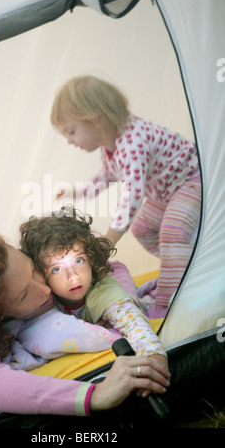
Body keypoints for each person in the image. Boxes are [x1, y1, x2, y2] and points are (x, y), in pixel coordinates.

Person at [0, 233, 171, 417]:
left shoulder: (3, 263)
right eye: (23, 295)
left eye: (34, 271)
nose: (44, 289)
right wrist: (96, 395)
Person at [51, 75, 201, 318]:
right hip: (165, 192)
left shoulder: (133, 141)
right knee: (143, 229)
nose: (69, 140)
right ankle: (186, 262)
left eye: (71, 131)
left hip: (190, 182)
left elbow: (133, 192)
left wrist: (111, 237)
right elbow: (107, 175)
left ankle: (166, 303)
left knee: (172, 232)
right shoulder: (110, 145)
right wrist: (77, 192)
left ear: (96, 119)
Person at [20, 206, 168, 370]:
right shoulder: (43, 298)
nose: (73, 276)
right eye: (57, 269)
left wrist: (155, 357)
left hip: (114, 276)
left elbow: (134, 322)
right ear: (41, 275)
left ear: (90, 258)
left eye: (78, 261)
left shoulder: (101, 288)